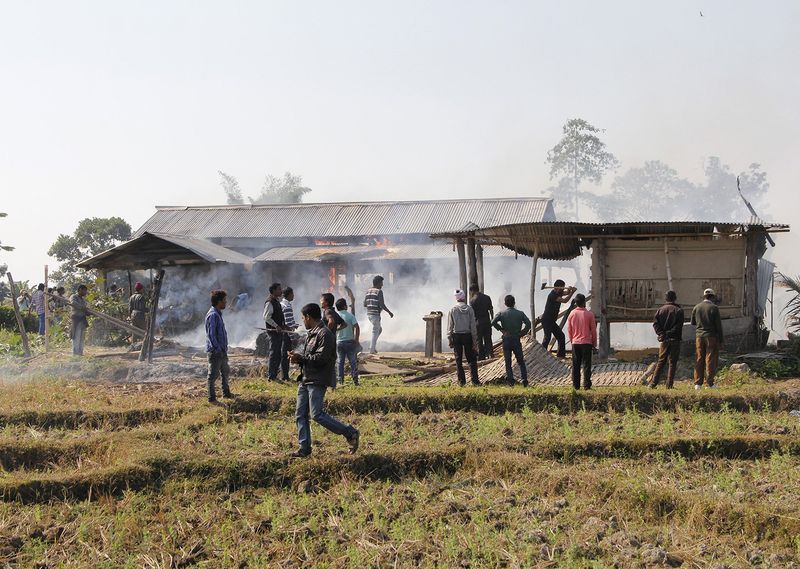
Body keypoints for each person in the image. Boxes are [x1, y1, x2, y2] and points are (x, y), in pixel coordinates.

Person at [288, 303, 360, 458]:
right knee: (300, 415)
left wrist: (302, 358)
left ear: (308, 317)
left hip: (318, 379)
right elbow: (309, 357)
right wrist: (298, 359)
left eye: (303, 318)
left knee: (316, 414)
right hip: (306, 378)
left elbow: (322, 358)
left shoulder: (324, 334)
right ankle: (304, 448)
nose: (303, 321)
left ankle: (350, 432)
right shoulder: (312, 333)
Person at [491, 294, 532, 386]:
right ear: (514, 303)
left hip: (506, 340)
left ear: (505, 303)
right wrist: (522, 333)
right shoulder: (520, 313)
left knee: (508, 362)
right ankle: (524, 380)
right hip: (516, 338)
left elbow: (492, 322)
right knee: (521, 361)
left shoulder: (501, 313)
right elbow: (528, 324)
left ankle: (510, 381)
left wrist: (501, 330)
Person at [648, 290, 684, 389]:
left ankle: (653, 384)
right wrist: (667, 334)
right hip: (675, 340)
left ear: (666, 298)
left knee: (661, 362)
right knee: (672, 363)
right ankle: (669, 385)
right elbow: (678, 327)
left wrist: (661, 334)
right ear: (675, 298)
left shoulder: (660, 310)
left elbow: (655, 324)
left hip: (664, 341)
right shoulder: (679, 310)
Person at [691, 288, 724, 390]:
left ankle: (698, 384)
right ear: (712, 297)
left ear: (704, 296)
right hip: (711, 337)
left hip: (699, 337)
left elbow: (693, 322)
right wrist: (721, 339)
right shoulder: (714, 308)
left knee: (699, 358)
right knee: (710, 359)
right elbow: (718, 326)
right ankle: (710, 383)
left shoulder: (696, 307)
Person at [205, 289, 233, 403]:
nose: (226, 303)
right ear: (218, 301)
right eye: (224, 300)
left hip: (221, 350)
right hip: (216, 351)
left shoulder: (217, 314)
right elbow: (211, 335)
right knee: (212, 376)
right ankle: (211, 398)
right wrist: (217, 349)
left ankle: (226, 393)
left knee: (225, 371)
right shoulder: (213, 315)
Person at [447, 289, 480, 386]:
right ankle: (475, 381)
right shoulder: (469, 309)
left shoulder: (453, 309)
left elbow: (450, 326)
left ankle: (461, 382)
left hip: (456, 336)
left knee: (458, 359)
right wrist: (475, 341)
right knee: (471, 359)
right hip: (467, 335)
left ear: (456, 299)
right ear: (464, 297)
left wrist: (449, 338)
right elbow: (473, 326)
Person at [567, 294, 596, 390]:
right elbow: (593, 331)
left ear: (576, 303)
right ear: (584, 302)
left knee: (576, 365)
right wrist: (594, 343)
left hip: (575, 343)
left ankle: (576, 385)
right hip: (586, 343)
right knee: (586, 365)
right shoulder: (589, 314)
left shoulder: (572, 314)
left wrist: (572, 341)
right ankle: (587, 385)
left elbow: (569, 330)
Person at [540, 280, 576, 358]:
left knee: (561, 336)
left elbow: (566, 293)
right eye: (562, 287)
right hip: (546, 320)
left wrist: (569, 290)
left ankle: (560, 355)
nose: (563, 289)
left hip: (552, 321)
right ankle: (542, 355)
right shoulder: (552, 295)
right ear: (558, 287)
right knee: (547, 337)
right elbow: (565, 300)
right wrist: (572, 292)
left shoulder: (558, 292)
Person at [263, 283, 289, 381]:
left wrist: (284, 326)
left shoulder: (276, 301)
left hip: (278, 331)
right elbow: (266, 317)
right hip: (273, 332)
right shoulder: (270, 302)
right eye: (279, 289)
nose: (281, 291)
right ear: (273, 291)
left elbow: (278, 316)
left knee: (278, 353)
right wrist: (276, 326)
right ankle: (271, 376)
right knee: (274, 353)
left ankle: (274, 375)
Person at [363, 275, 394, 354]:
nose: (382, 285)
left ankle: (371, 346)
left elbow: (364, 304)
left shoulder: (368, 290)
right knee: (375, 331)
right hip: (375, 314)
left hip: (369, 314)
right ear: (378, 283)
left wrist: (371, 304)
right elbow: (382, 304)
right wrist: (389, 312)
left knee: (379, 330)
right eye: (381, 283)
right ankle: (372, 350)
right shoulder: (379, 291)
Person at [335, 298, 360, 386]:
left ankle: (340, 381)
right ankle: (355, 381)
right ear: (345, 306)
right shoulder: (350, 316)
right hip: (350, 342)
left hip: (339, 342)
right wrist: (356, 340)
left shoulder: (335, 316)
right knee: (353, 362)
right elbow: (357, 327)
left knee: (340, 362)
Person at [469, 284, 495, 360]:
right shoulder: (487, 297)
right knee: (488, 339)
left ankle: (481, 357)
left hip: (478, 322)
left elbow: (472, 315)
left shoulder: (472, 301)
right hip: (487, 321)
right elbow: (491, 310)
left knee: (479, 341)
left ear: (472, 291)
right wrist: (492, 319)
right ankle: (490, 355)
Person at [280, 287, 299, 381]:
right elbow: (287, 324)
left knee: (284, 354)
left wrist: (294, 325)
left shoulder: (282, 304)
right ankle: (285, 376)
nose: (293, 295)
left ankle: (284, 375)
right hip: (286, 334)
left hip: (284, 332)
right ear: (289, 294)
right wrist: (293, 337)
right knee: (286, 354)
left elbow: (288, 321)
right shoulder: (286, 306)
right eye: (292, 294)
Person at [69, 285, 89, 356]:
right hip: (76, 319)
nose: (86, 292)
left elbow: (85, 310)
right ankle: (75, 354)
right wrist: (82, 307)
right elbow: (73, 303)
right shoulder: (73, 296)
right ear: (80, 289)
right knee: (76, 337)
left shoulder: (83, 300)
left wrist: (89, 312)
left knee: (81, 338)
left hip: (82, 320)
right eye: (84, 290)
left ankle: (80, 353)